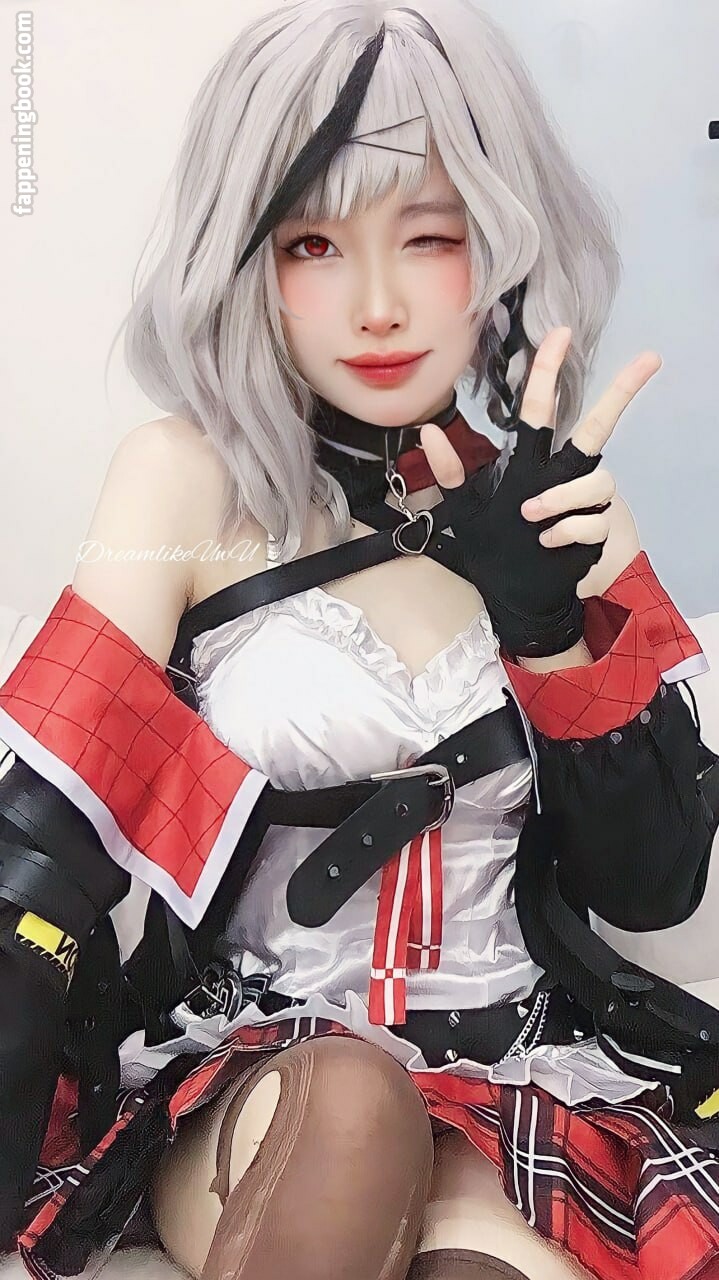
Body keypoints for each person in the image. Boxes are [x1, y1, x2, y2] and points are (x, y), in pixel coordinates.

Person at [1, 3, 718, 1278]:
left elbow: (651, 884)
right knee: (345, 1121)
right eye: (314, 243)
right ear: (245, 257)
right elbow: (41, 852)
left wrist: (548, 627)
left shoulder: (552, 505)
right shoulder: (188, 482)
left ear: (499, 245)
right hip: (261, 1069)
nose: (378, 305)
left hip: (513, 1064)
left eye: (428, 237)